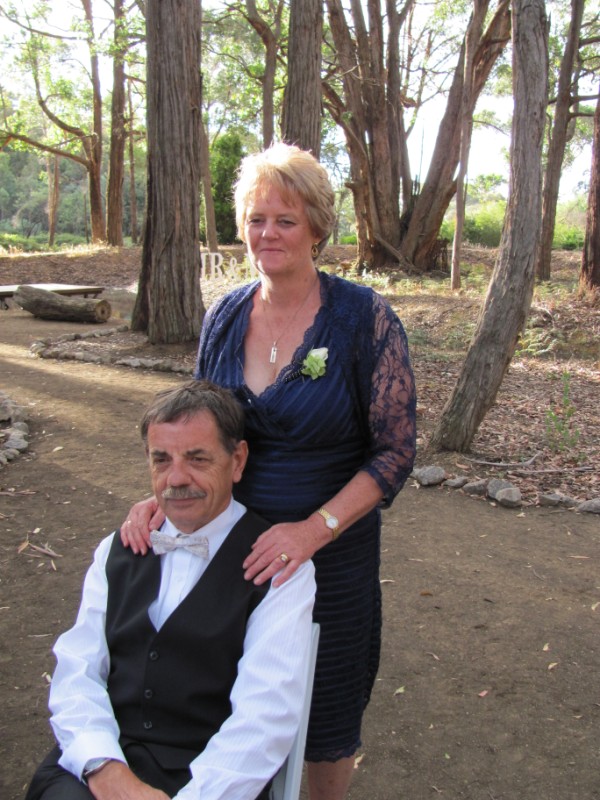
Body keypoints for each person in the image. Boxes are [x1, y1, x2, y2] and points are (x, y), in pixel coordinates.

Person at [122, 143, 417, 800]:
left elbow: (396, 452)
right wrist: (166, 497)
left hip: (332, 560)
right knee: (232, 703)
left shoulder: (363, 319)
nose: (268, 233)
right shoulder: (224, 316)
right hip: (236, 553)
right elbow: (200, 433)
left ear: (316, 227)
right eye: (256, 219)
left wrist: (313, 531)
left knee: (325, 715)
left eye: (285, 219)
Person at [26, 380, 316, 800]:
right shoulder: (115, 550)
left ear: (237, 460)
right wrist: (103, 767)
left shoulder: (279, 568)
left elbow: (264, 717)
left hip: (208, 775)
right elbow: (78, 672)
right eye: (161, 459)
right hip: (103, 759)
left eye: (197, 458)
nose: (176, 478)